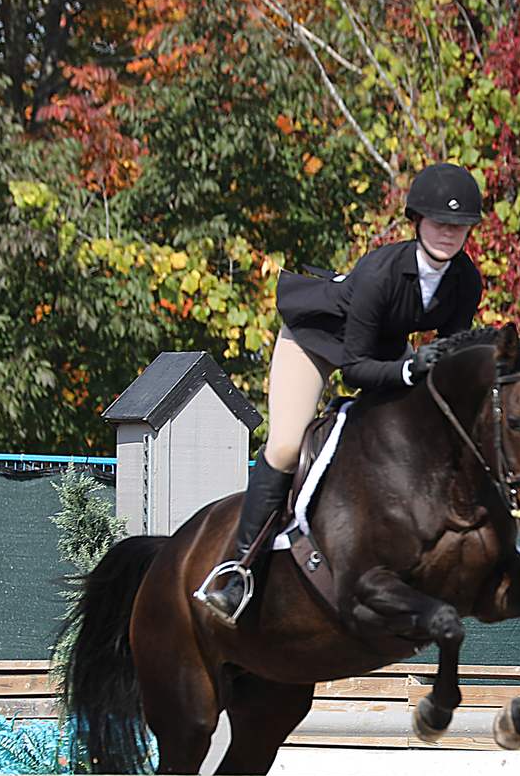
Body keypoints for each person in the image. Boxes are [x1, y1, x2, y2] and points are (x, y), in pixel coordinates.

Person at [194, 162, 487, 625]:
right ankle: (237, 572)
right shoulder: (379, 272)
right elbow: (354, 370)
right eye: (440, 222)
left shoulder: (465, 281)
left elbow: (446, 358)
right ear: (417, 222)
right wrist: (411, 367)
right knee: (288, 444)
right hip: (318, 342)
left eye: (460, 226)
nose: (450, 233)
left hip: (382, 351)